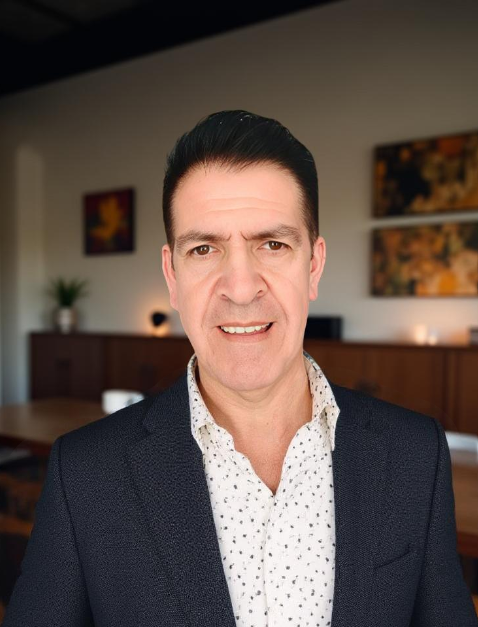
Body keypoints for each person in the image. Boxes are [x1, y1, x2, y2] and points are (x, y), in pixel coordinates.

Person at [4, 110, 477, 627]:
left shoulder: (415, 455)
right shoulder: (84, 474)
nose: (241, 287)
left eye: (272, 244)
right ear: (172, 275)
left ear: (313, 265)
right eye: (204, 248)